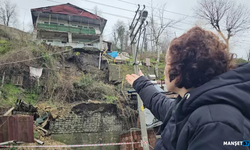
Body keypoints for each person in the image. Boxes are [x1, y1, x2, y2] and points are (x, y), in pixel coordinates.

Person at [126, 27, 250, 150]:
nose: (164, 69)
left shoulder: (214, 124)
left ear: (181, 67)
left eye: (167, 62)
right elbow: (161, 104)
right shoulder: (191, 107)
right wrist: (141, 84)